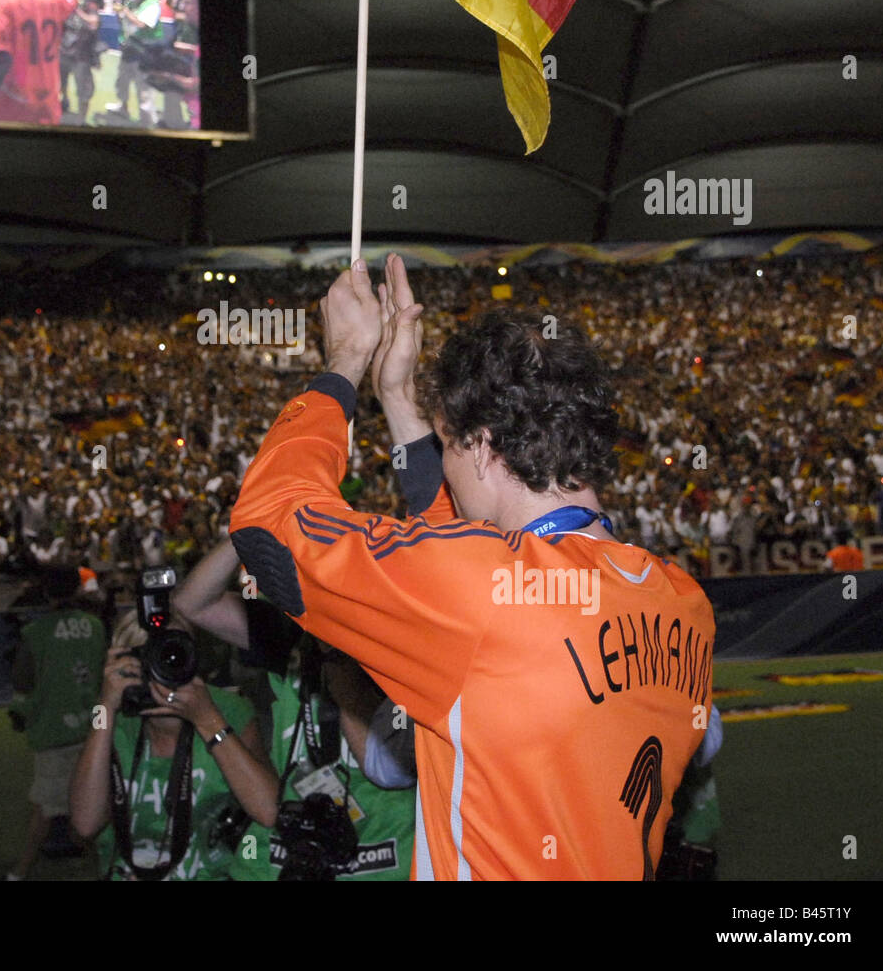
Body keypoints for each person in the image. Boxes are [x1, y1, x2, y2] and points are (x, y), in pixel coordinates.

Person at [230, 253, 716, 880]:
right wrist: (399, 398)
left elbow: (269, 522)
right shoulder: (681, 601)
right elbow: (460, 557)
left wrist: (344, 364)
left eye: (450, 448)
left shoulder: (485, 595)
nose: (447, 471)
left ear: (483, 446)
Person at [173, 536, 416, 880]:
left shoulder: (400, 647)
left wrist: (337, 651)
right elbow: (191, 603)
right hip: (291, 855)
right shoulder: (292, 636)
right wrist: (246, 527)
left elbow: (390, 768)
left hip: (383, 861)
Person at [68, 613, 278, 880]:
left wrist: (207, 720)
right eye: (146, 658)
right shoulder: (114, 719)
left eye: (172, 654)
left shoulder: (226, 711)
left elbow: (269, 810)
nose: (160, 671)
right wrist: (105, 706)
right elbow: (85, 824)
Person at [7, 565, 106, 880]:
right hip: (92, 731)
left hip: (54, 732)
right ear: (77, 589)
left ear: (45, 591)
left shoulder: (35, 633)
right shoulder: (96, 626)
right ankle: (101, 864)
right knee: (92, 803)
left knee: (46, 810)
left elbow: (22, 680)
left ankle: (21, 871)